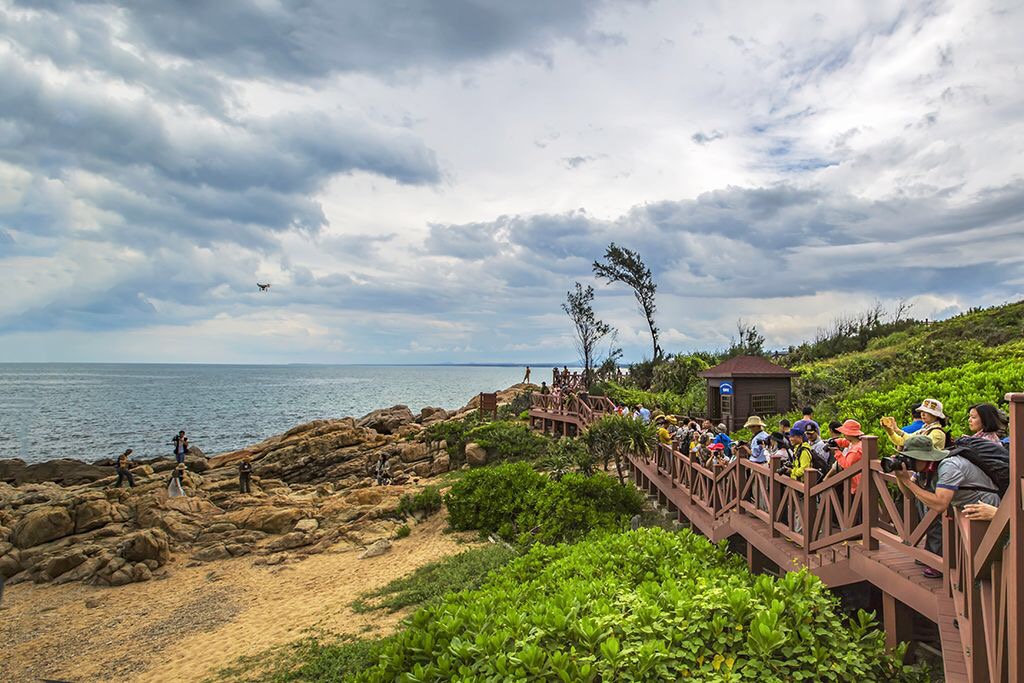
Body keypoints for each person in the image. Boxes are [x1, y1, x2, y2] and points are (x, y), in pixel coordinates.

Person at [892, 433, 1001, 578]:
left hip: (985, 506)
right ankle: (962, 577)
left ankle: (982, 590)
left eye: (910, 458)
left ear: (923, 457)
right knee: (973, 557)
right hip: (966, 510)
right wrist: (901, 478)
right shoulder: (924, 468)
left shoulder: (949, 466)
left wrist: (908, 482)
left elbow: (940, 505)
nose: (908, 462)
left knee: (987, 558)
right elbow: (909, 494)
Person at [881, 398, 948, 451]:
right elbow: (901, 441)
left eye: (927, 412)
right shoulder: (924, 429)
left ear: (936, 415)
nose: (922, 414)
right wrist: (890, 430)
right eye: (921, 411)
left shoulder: (937, 432)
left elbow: (918, 443)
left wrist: (898, 431)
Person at [826, 419, 864, 493]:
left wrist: (836, 451)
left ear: (850, 434)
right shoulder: (855, 442)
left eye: (845, 432)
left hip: (857, 486)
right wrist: (835, 441)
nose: (843, 434)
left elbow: (846, 465)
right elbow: (844, 442)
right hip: (855, 483)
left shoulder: (856, 450)